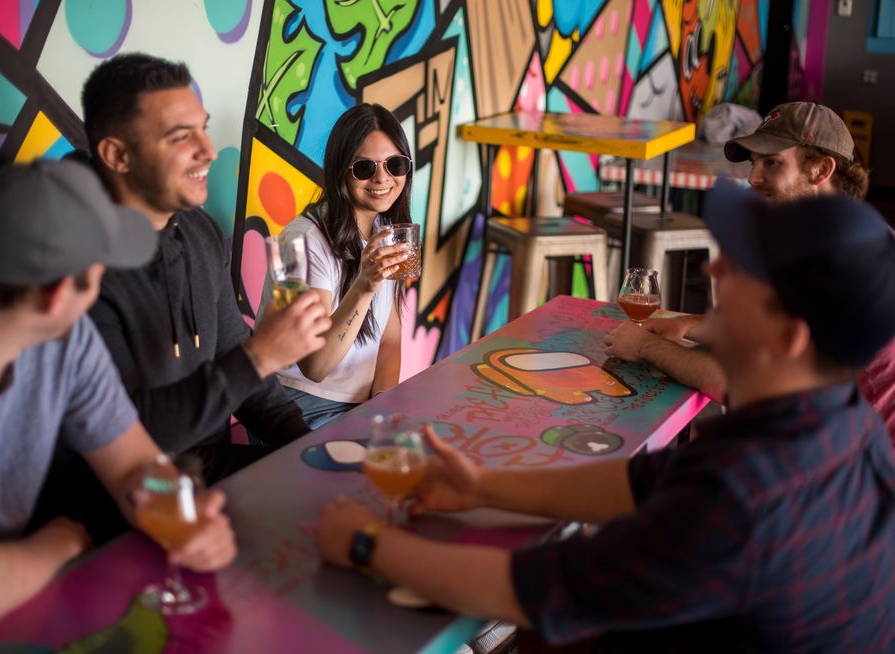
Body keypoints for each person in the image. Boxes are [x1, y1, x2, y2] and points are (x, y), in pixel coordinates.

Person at [314, 181, 895, 651]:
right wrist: (480, 485)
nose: (716, 273)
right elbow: (638, 483)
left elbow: (533, 589)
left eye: (744, 269)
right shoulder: (840, 420)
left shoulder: (744, 498)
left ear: (789, 337)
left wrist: (365, 545)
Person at [0, 160, 236, 637]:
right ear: (57, 294)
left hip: (16, 605)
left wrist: (182, 516)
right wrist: (65, 540)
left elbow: (133, 467)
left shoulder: (67, 338)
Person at [33, 54, 332, 542]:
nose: (208, 151)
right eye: (180, 136)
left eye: (204, 129)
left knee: (348, 504)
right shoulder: (75, 270)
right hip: (118, 505)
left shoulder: (197, 231)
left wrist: (314, 453)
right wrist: (260, 357)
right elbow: (126, 443)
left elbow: (242, 369)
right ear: (117, 155)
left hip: (206, 469)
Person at [603, 101, 895, 441]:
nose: (753, 178)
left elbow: (741, 383)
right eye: (754, 163)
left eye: (772, 163)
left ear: (821, 170)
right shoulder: (849, 236)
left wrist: (643, 346)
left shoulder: (836, 263)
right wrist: (688, 324)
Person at [259, 103, 412, 429]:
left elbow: (390, 340)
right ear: (341, 170)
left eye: (395, 164)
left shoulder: (388, 229)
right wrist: (364, 286)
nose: (382, 178)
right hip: (297, 402)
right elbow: (315, 366)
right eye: (364, 168)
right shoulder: (301, 241)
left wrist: (382, 404)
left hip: (356, 404)